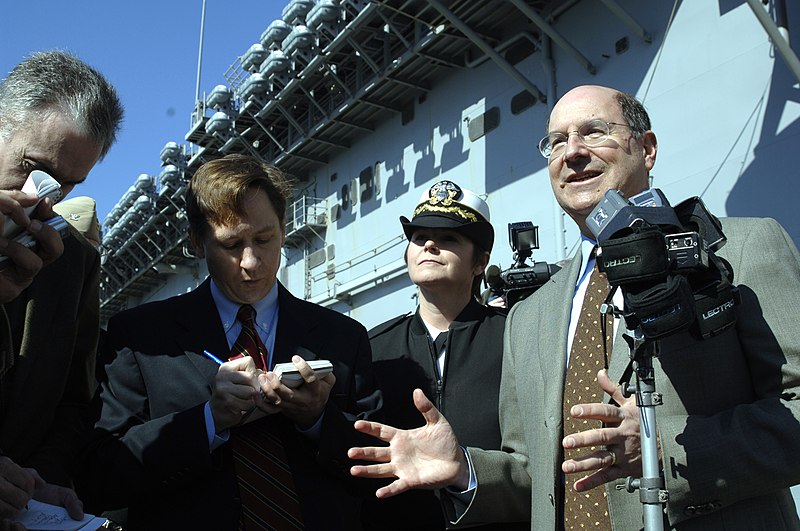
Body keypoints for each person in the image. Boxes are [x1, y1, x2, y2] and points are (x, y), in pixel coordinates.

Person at [348, 85, 800, 530]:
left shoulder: (738, 251)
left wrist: (662, 450)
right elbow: (535, 472)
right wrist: (466, 469)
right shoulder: (529, 316)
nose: (573, 152)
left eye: (594, 131)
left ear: (646, 148)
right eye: (557, 141)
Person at [78, 154, 383, 530]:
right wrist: (208, 420)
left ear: (285, 229)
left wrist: (318, 420)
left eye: (264, 238)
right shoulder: (140, 338)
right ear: (197, 242)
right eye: (231, 245)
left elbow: (379, 467)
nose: (252, 262)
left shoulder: (344, 336)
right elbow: (100, 474)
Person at [0, 50, 123, 525]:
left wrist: (37, 484)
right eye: (31, 166)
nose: (39, 199)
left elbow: (72, 401)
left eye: (66, 186)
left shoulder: (73, 262)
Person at [362, 180, 527, 530]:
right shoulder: (373, 348)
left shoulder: (517, 335)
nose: (430, 245)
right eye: (419, 238)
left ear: (480, 262)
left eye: (449, 238)